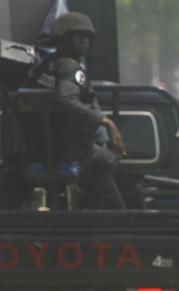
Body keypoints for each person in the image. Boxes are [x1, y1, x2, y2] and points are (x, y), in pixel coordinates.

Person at [28, 11, 126, 209]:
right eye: (78, 36)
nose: (84, 42)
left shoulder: (47, 64)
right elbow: (66, 99)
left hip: (38, 148)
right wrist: (106, 122)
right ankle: (93, 216)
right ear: (64, 38)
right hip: (67, 150)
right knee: (107, 159)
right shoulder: (73, 69)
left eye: (87, 37)